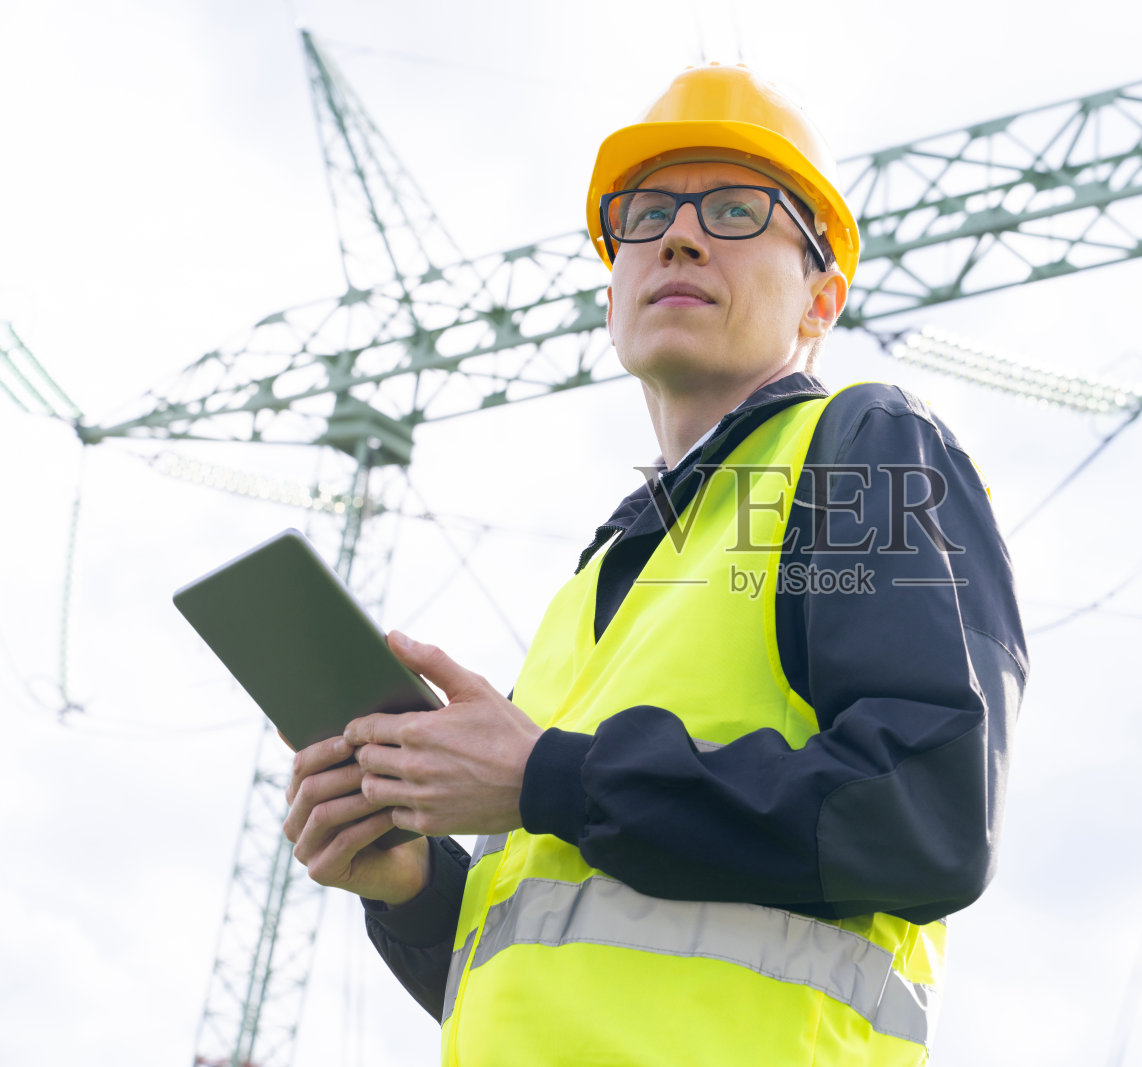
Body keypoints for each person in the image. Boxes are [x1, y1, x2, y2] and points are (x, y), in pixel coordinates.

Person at [283, 63, 1028, 1066]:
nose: (678, 234)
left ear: (823, 295)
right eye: (643, 214)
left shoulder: (857, 446)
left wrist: (546, 772)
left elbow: (925, 812)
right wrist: (411, 887)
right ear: (614, 285)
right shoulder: (593, 585)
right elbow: (548, 954)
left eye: (733, 208)